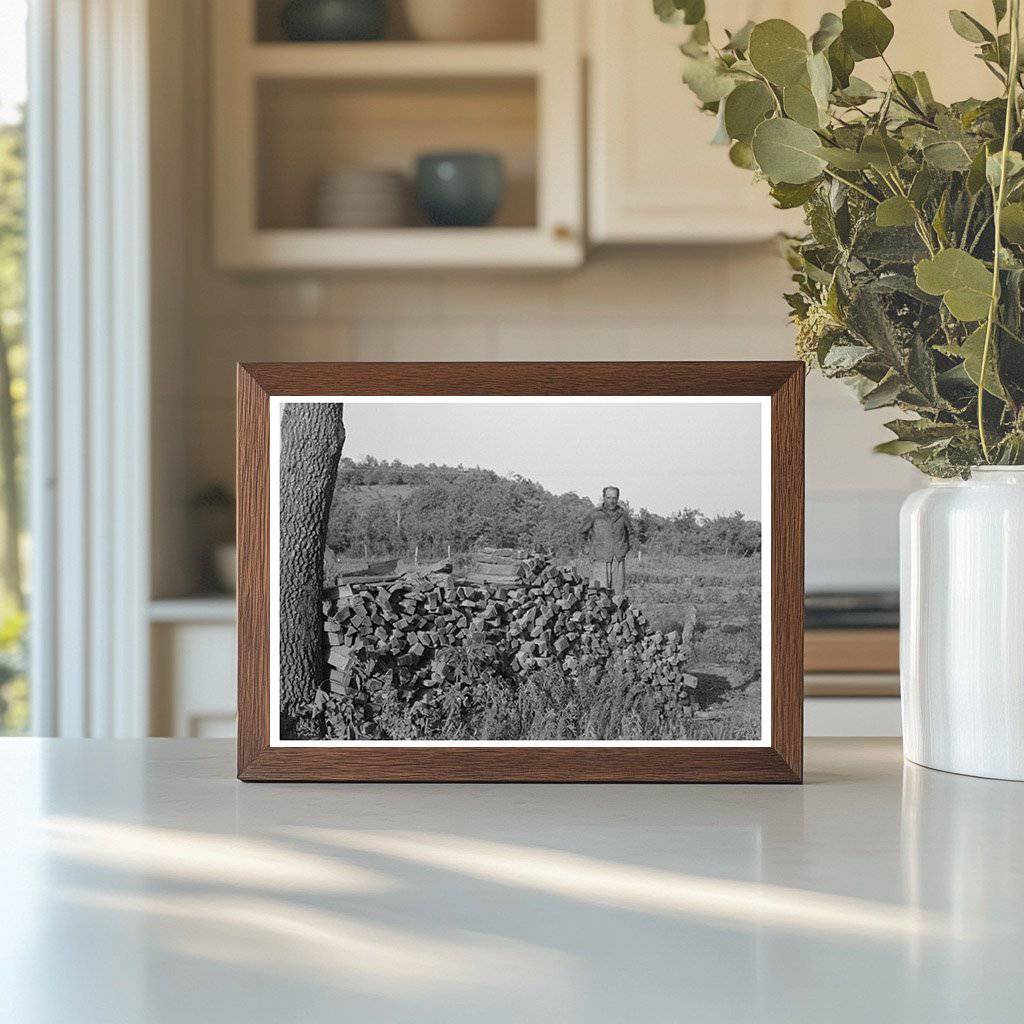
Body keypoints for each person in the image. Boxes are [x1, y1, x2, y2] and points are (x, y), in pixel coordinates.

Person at [580, 486, 632, 594]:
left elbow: (631, 533)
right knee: (598, 594)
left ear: (618, 498)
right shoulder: (594, 514)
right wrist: (586, 549)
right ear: (603, 497)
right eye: (608, 498)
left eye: (614, 498)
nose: (611, 501)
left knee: (617, 595)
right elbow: (581, 532)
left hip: (618, 559)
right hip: (599, 560)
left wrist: (625, 548)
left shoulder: (623, 515)